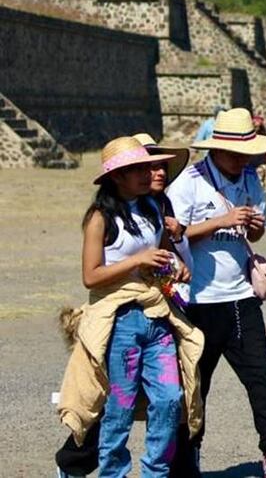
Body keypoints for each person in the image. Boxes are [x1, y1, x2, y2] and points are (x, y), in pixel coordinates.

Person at [166, 109, 266, 478]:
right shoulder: (189, 181)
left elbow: (253, 235)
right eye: (237, 152)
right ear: (217, 148)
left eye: (248, 151)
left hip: (241, 297)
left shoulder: (249, 178)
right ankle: (186, 459)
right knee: (195, 387)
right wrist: (220, 221)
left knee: (261, 375)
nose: (244, 159)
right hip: (196, 301)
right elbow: (172, 234)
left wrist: (257, 226)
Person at [67, 137, 195, 478]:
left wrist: (175, 266)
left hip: (157, 318)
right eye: (136, 169)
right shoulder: (100, 218)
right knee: (119, 411)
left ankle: (156, 473)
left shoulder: (153, 208)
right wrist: (137, 259)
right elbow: (90, 276)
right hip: (120, 321)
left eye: (148, 166)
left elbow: (164, 256)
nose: (147, 173)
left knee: (170, 400)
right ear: (116, 176)